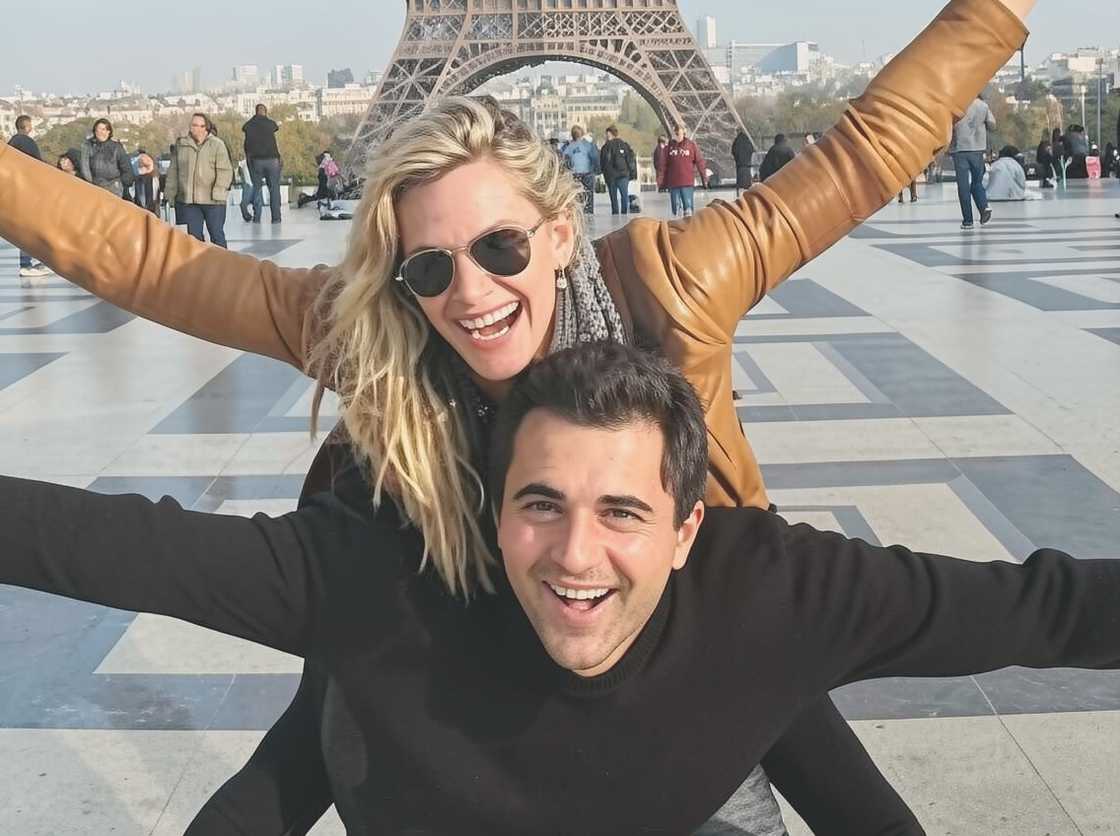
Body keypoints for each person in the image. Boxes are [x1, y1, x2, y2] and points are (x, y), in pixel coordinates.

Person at [0, 1, 1036, 830]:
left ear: (557, 232)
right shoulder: (375, 320)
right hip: (439, 609)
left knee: (769, 709)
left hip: (672, 615)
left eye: (500, 247)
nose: (469, 290)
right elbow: (146, 259)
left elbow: (863, 154)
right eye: (431, 265)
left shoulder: (673, 278)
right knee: (334, 716)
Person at [4, 340, 1119, 834]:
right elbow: (103, 543)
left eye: (622, 511)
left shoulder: (773, 591)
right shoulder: (382, 572)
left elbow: (1049, 606)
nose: (574, 553)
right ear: (489, 511)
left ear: (689, 528)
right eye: (539, 503)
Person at [164, 113, 234, 247]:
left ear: (205, 128)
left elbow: (225, 170)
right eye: (193, 125)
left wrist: (219, 190)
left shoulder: (217, 145)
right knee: (192, 239)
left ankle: (223, 265)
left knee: (216, 234)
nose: (195, 129)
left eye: (199, 125)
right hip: (188, 200)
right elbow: (173, 171)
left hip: (213, 200)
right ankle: (198, 266)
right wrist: (170, 193)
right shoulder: (181, 145)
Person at [6, 115, 52, 283]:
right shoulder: (27, 142)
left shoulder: (11, 143)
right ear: (28, 127)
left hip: (15, 190)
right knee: (32, 228)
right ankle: (29, 263)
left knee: (24, 228)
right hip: (28, 190)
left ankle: (27, 262)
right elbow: (37, 165)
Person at [949, 95, 995, 230]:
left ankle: (968, 220)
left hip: (960, 150)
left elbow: (949, 126)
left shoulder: (956, 105)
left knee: (963, 187)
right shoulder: (982, 105)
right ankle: (983, 207)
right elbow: (993, 125)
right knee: (977, 182)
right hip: (977, 149)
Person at [243, 104, 283, 223]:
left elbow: (245, 136)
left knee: (257, 188)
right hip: (272, 160)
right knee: (274, 188)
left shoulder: (249, 125)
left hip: (256, 160)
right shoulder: (270, 124)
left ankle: (257, 217)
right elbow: (275, 127)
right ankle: (276, 217)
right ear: (265, 112)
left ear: (255, 112)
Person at [78, 118, 133, 198]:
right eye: (98, 130)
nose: (100, 132)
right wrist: (90, 184)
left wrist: (120, 184)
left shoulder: (116, 147)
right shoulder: (88, 146)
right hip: (95, 186)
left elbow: (127, 170)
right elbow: (85, 167)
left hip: (113, 187)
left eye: (103, 129)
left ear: (108, 131)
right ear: (94, 132)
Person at [663, 124, 706, 218]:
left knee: (688, 209)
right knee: (676, 210)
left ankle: (689, 229)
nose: (677, 136)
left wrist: (704, 178)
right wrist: (662, 182)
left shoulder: (691, 145)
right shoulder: (669, 147)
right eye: (676, 133)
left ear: (684, 133)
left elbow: (699, 161)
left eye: (679, 133)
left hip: (687, 183)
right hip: (673, 183)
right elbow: (663, 165)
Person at [598, 126, 637, 216]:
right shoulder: (624, 144)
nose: (606, 136)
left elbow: (602, 162)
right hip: (623, 174)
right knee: (624, 195)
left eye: (607, 134)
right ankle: (624, 213)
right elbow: (630, 159)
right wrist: (632, 173)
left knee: (613, 198)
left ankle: (615, 214)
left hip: (611, 176)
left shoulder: (605, 147)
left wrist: (603, 174)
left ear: (610, 134)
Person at [561, 124, 598, 214]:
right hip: (587, 172)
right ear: (582, 134)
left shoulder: (570, 146)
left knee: (577, 195)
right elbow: (594, 157)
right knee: (589, 194)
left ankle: (579, 212)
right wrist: (595, 168)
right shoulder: (587, 145)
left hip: (575, 174)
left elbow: (563, 155)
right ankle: (589, 212)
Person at [731, 129, 755, 196]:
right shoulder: (748, 141)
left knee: (740, 182)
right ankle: (749, 194)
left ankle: (738, 195)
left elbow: (733, 151)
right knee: (748, 182)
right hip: (747, 165)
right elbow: (752, 150)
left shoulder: (737, 141)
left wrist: (737, 158)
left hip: (739, 165)